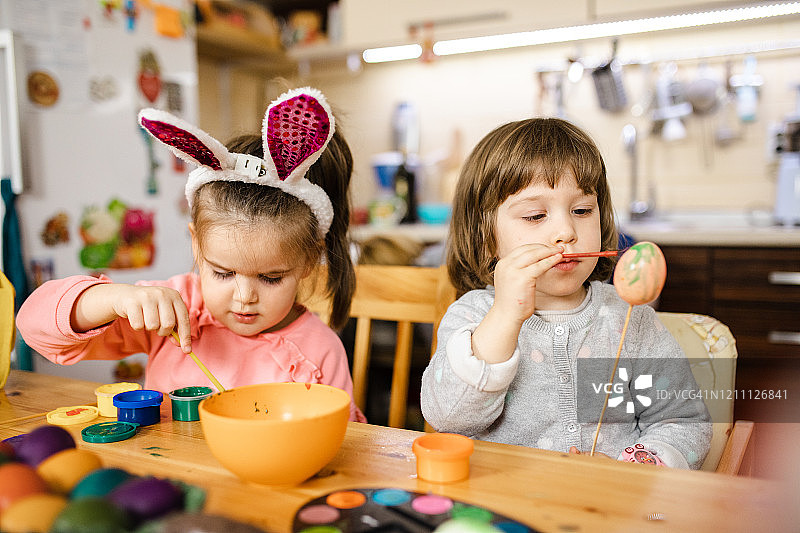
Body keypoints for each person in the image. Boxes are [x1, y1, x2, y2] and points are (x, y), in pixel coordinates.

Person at [17, 87, 366, 422]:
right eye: (223, 273)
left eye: (270, 277)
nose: (244, 298)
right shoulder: (176, 310)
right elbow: (33, 328)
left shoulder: (320, 353)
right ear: (197, 245)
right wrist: (112, 297)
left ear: (308, 260)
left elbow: (340, 444)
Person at [420, 118, 711, 468]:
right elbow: (447, 418)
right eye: (535, 215)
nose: (565, 231)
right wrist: (504, 317)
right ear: (485, 239)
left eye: (582, 210)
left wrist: (635, 469)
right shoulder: (473, 317)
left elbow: (683, 422)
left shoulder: (631, 321)